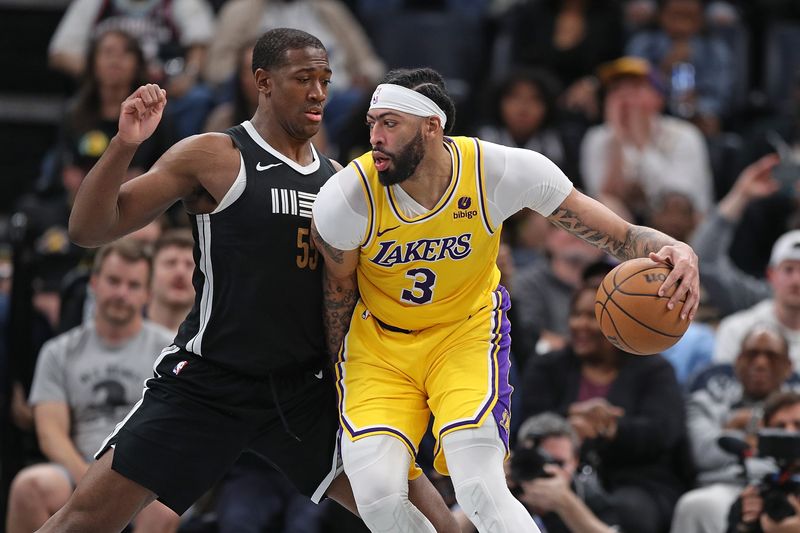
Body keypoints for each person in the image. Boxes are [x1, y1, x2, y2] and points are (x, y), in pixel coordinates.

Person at [38, 28, 456, 533]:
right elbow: (88, 229)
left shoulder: (342, 180)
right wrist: (125, 145)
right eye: (304, 78)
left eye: (325, 80)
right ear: (263, 80)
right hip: (210, 382)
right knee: (81, 522)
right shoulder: (214, 155)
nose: (319, 92)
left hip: (305, 391)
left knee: (434, 526)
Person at [311, 66, 700, 532]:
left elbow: (621, 236)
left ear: (432, 127)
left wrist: (679, 249)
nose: (375, 136)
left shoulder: (500, 171)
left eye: (390, 123)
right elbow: (338, 294)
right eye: (372, 123)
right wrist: (336, 369)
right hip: (380, 345)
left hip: (465, 335)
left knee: (481, 487)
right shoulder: (347, 199)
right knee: (376, 497)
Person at [5, 240, 178, 533]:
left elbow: (175, 432)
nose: (121, 293)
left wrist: (119, 490)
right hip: (77, 471)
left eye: (133, 285)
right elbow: (50, 434)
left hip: (145, 477)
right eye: (113, 281)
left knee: (163, 508)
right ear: (94, 283)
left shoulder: (171, 350)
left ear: (148, 294)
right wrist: (93, 486)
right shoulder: (58, 351)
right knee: (30, 485)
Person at [520, 281, 691, 533]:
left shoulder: (654, 369)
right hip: (556, 471)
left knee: (631, 512)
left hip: (638, 480)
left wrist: (611, 429)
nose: (580, 324)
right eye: (576, 314)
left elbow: (664, 432)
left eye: (592, 316)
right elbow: (528, 422)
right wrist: (569, 421)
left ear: (622, 320)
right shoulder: (547, 366)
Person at [671, 325, 799, 533]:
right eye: (752, 355)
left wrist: (736, 432)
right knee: (696, 505)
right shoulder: (708, 400)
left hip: (791, 486)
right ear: (737, 361)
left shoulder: (795, 406)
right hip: (727, 487)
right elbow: (702, 454)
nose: (760, 363)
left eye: (771, 356)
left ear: (788, 366)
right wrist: (748, 431)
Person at [512, 413, 621, 533]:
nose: (548, 469)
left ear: (575, 461)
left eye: (558, 463)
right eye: (539, 461)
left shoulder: (586, 494)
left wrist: (566, 503)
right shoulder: (506, 486)